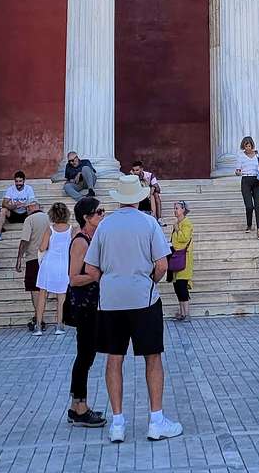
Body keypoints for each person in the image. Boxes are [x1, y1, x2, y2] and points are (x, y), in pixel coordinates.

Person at [83, 173, 183, 442]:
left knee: (114, 359)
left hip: (111, 301)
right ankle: (156, 420)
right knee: (153, 357)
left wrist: (109, 282)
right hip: (143, 299)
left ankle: (117, 423)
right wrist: (149, 281)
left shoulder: (103, 227)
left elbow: (91, 268)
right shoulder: (149, 223)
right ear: (139, 199)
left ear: (118, 199)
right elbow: (162, 265)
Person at [65, 197, 108, 428]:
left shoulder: (92, 238)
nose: (102, 215)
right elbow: (73, 277)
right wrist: (95, 275)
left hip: (92, 304)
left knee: (87, 355)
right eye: (98, 212)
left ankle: (76, 406)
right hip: (83, 306)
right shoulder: (81, 242)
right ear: (86, 217)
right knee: (85, 355)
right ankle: (80, 407)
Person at [36, 202, 73, 335]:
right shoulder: (72, 229)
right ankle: (59, 326)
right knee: (61, 296)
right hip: (64, 265)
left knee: (42, 295)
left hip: (49, 264)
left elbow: (42, 247)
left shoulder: (50, 229)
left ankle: (38, 326)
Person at [14, 201, 51, 333]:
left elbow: (25, 240)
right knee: (43, 288)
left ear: (30, 208)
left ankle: (39, 318)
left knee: (34, 289)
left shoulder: (29, 219)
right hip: (47, 256)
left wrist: (19, 258)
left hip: (33, 257)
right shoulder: (49, 218)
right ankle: (38, 317)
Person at [234, 135, 259, 233]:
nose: (248, 148)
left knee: (258, 205)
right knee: (249, 206)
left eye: (249, 146)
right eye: (246, 146)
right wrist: (238, 173)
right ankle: (249, 225)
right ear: (243, 147)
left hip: (257, 180)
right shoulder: (240, 156)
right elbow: (237, 170)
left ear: (252, 145)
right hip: (246, 180)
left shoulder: (257, 154)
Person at [169, 200, 194, 321]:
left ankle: (187, 313)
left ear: (183, 210)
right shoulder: (178, 223)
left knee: (182, 287)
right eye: (174, 208)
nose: (175, 210)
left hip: (183, 259)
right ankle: (182, 313)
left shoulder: (186, 223)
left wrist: (177, 229)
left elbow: (184, 238)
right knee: (177, 287)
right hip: (176, 259)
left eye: (177, 208)